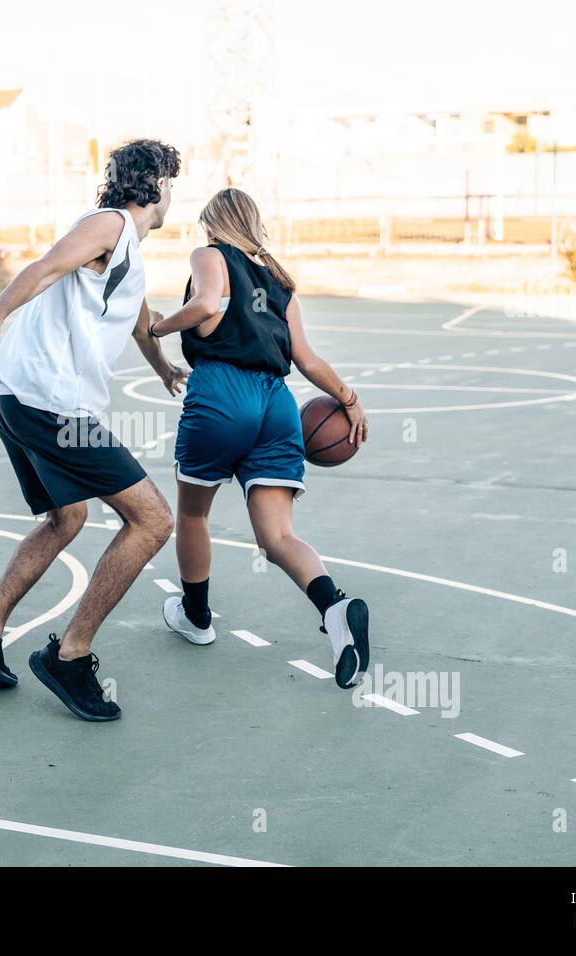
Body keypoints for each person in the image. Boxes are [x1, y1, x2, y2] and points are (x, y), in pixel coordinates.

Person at [0, 139, 187, 721]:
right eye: (173, 181)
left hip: (14, 397)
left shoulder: (125, 248)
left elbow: (137, 320)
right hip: (52, 406)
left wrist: (164, 370)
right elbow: (47, 266)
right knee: (152, 519)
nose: (176, 192)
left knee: (68, 516)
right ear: (155, 184)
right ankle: (70, 655)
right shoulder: (108, 224)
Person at [147, 187, 371, 689]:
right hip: (278, 405)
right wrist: (349, 399)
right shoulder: (280, 283)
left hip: (223, 392)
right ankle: (334, 609)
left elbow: (205, 304)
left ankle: (197, 619)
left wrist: (159, 327)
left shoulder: (209, 255)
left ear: (216, 225)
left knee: (192, 513)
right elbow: (307, 360)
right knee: (279, 537)